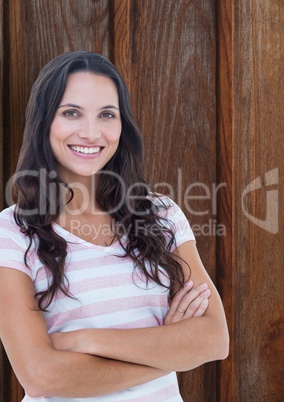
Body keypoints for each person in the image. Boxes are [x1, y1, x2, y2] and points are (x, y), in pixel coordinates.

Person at [0, 51, 229, 401]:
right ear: (44, 122)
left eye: (107, 114)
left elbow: (214, 339)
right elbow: (42, 376)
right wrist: (169, 352)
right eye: (71, 113)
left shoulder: (161, 214)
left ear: (123, 125)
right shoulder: (11, 232)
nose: (91, 133)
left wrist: (86, 340)